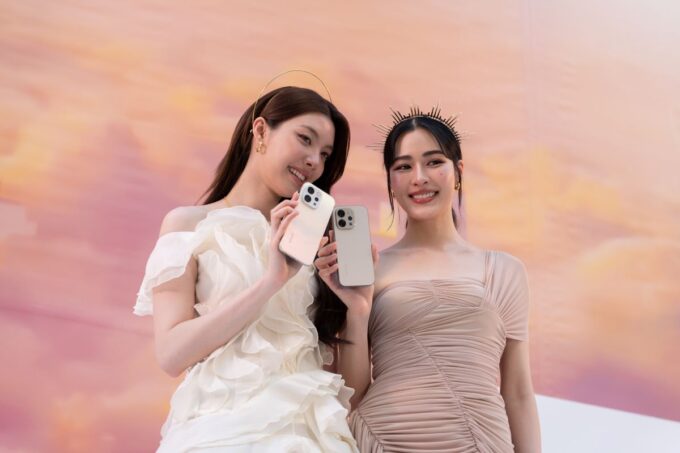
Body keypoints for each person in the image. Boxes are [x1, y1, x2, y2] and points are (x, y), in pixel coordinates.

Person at [134, 86, 358, 452]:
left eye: (324, 154)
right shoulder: (187, 225)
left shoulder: (315, 243)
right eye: (305, 139)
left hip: (306, 432)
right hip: (219, 431)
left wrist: (358, 307)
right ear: (261, 131)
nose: (314, 161)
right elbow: (171, 354)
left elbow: (343, 380)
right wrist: (272, 281)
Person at [315, 107, 541, 452]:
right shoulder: (369, 271)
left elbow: (519, 393)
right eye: (403, 167)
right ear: (391, 182)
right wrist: (357, 311)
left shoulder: (504, 270)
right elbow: (352, 395)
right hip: (384, 440)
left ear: (458, 171)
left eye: (434, 162)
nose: (419, 177)